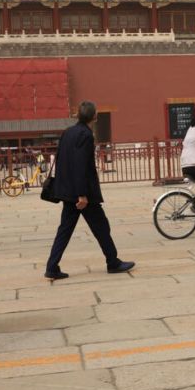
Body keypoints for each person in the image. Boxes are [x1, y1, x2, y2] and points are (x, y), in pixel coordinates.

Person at [45, 101, 135, 279]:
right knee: (101, 227)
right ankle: (113, 262)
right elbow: (81, 165)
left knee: (65, 230)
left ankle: (52, 266)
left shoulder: (68, 132)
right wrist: (82, 194)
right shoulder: (86, 135)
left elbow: (61, 160)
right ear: (94, 116)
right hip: (83, 195)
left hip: (69, 191)